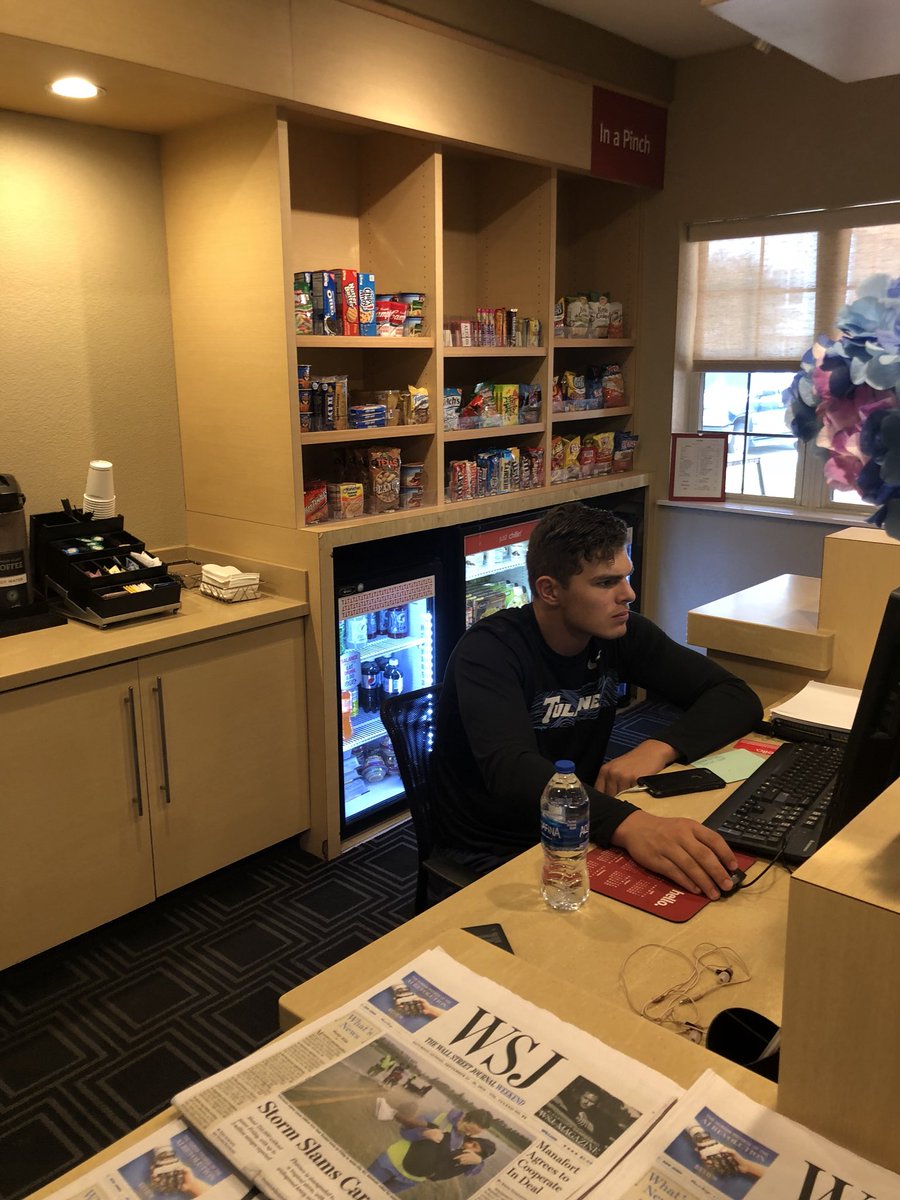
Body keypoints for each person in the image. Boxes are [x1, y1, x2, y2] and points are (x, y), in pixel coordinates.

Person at [431, 503, 763, 900]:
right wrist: (631, 826)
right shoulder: (489, 651)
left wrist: (657, 748)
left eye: (626, 576)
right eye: (606, 583)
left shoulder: (622, 633)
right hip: (497, 841)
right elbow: (512, 772)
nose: (628, 594)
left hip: (585, 817)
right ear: (550, 590)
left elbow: (736, 697)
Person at [368, 1109, 493, 1193]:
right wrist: (424, 1133)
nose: (468, 1134)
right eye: (468, 1128)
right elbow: (404, 1131)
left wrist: (479, 1161)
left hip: (409, 1180)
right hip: (389, 1163)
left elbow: (469, 1169)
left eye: (473, 1133)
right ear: (465, 1117)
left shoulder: (466, 1139)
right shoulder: (439, 1117)